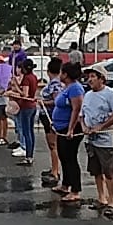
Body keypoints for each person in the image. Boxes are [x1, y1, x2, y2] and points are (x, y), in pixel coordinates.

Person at [79, 64, 113, 217]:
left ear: (102, 79)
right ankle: (101, 198)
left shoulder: (110, 94)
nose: (90, 80)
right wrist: (84, 126)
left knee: (108, 172)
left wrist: (101, 126)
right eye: (89, 77)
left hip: (106, 141)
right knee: (96, 171)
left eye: (93, 76)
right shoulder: (87, 95)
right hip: (90, 140)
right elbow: (81, 115)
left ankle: (112, 201)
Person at [51, 62, 86, 203]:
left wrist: (71, 128)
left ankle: (75, 190)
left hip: (70, 128)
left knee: (70, 158)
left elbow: (76, 109)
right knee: (63, 156)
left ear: (66, 74)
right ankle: (66, 184)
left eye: (62, 72)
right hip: (61, 127)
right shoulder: (67, 88)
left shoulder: (76, 89)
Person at [8, 59, 41, 166]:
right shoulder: (34, 77)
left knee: (26, 132)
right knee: (30, 132)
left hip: (26, 106)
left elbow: (25, 94)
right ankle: (29, 154)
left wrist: (16, 86)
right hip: (32, 106)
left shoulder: (27, 78)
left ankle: (28, 156)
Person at [38, 57, 65, 187]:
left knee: (53, 145)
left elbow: (56, 101)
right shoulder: (55, 84)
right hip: (47, 117)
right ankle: (54, 168)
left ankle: (55, 171)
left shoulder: (55, 85)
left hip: (51, 118)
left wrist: (43, 102)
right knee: (52, 145)